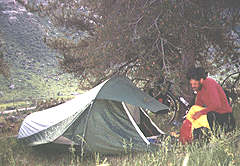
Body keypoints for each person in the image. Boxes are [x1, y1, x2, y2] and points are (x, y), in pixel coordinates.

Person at [186, 66, 235, 137]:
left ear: (201, 80)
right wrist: (191, 115)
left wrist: (200, 113)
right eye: (191, 84)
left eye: (194, 83)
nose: (193, 86)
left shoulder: (209, 84)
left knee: (209, 115)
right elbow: (198, 104)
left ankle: (217, 138)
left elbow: (217, 105)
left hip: (226, 118)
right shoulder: (200, 87)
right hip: (216, 116)